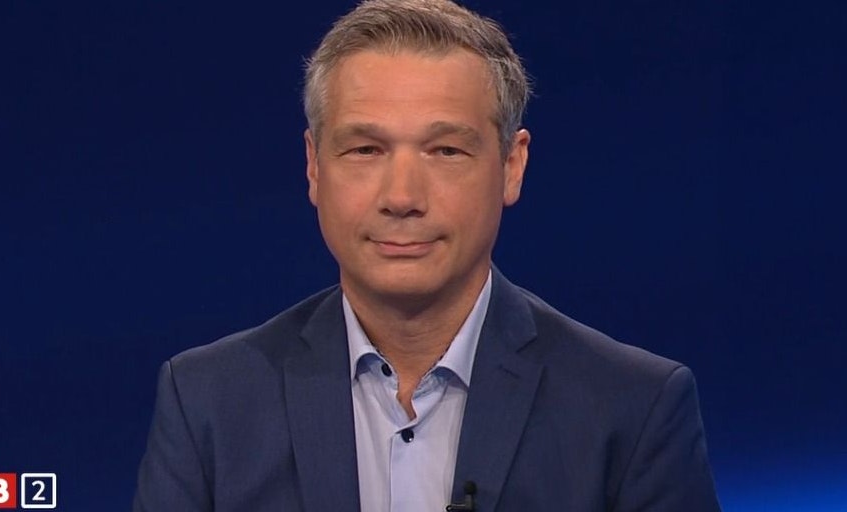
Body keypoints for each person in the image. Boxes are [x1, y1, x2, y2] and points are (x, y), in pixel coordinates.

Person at [132, 0, 721, 510]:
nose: (402, 197)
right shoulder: (207, 403)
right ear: (313, 165)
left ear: (511, 165)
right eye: (365, 149)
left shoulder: (632, 409)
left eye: (445, 151)